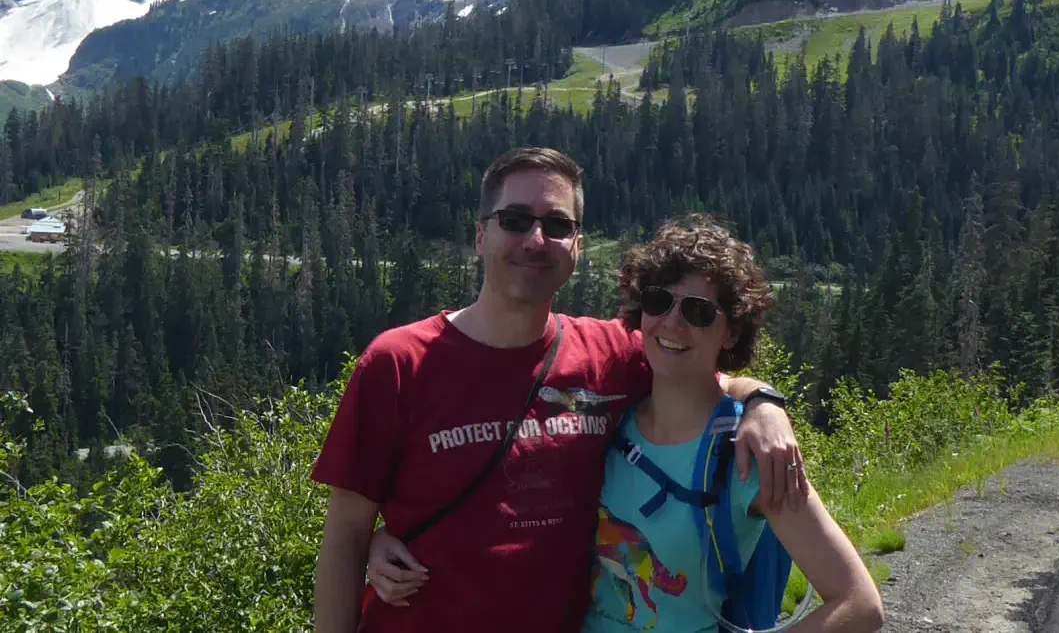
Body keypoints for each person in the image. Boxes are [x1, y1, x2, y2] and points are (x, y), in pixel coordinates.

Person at [310, 147, 807, 633]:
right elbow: (345, 537)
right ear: (481, 235)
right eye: (514, 220)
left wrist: (763, 404)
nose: (535, 239)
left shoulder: (612, 354)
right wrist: (374, 543)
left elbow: (704, 373)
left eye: (557, 225)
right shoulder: (397, 364)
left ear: (577, 246)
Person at [581, 213, 884, 633]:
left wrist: (763, 405)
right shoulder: (611, 414)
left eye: (699, 311)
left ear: (731, 332)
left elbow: (860, 603)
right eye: (658, 301)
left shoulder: (749, 455)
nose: (672, 322)